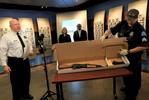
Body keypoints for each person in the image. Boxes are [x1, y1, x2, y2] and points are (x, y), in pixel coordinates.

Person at [100, 9, 148, 100]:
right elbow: (111, 29)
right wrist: (104, 35)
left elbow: (145, 46)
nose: (129, 21)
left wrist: (129, 51)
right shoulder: (123, 24)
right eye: (128, 18)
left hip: (134, 57)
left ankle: (133, 94)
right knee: (125, 75)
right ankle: (127, 88)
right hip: (123, 56)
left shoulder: (140, 29)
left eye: (132, 19)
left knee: (134, 77)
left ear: (137, 18)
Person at [0, 19, 34, 100]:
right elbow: (2, 51)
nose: (18, 26)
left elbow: (29, 43)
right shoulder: (6, 37)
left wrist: (31, 50)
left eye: (18, 24)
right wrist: (4, 64)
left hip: (25, 60)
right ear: (10, 26)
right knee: (16, 82)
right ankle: (17, 97)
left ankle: (25, 94)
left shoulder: (23, 34)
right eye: (15, 24)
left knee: (26, 79)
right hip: (14, 62)